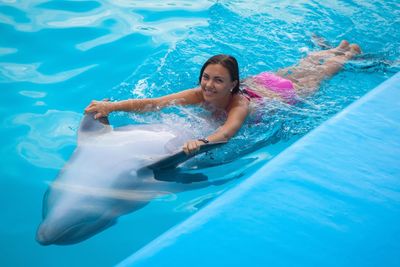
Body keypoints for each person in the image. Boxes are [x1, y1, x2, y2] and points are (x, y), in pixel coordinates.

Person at [84, 40, 360, 155]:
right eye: (206, 77)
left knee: (315, 77)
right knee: (301, 68)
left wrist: (201, 142)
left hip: (281, 94)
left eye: (217, 80)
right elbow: (154, 103)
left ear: (231, 85)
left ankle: (346, 54)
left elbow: (227, 132)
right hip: (261, 82)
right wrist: (112, 106)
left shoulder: (239, 104)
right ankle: (334, 48)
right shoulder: (198, 93)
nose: (209, 85)